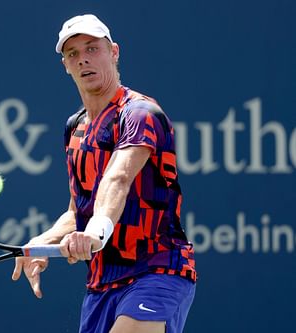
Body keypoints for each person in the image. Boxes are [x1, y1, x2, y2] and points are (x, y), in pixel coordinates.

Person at [12, 14, 197, 333]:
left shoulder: (139, 113)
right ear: (66, 66)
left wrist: (95, 231)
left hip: (158, 270)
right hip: (101, 286)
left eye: (92, 48)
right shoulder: (76, 128)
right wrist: (42, 241)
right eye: (73, 54)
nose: (83, 59)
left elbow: (119, 178)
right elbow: (77, 210)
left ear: (114, 52)